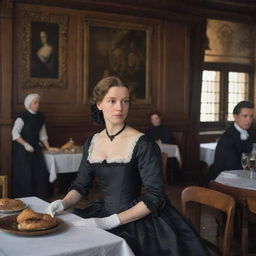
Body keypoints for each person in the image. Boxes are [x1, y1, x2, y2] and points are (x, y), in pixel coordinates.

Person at [45, 76, 209, 256]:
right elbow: (80, 185)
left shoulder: (143, 143)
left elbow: (155, 197)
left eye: (125, 101)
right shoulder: (92, 142)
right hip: (102, 211)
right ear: (99, 104)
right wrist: (63, 202)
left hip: (139, 219)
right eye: (112, 101)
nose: (119, 107)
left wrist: (109, 222)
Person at [12, 93, 59, 199]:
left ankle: (39, 198)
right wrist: (25, 144)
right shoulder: (21, 117)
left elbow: (42, 134)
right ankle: (25, 197)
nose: (38, 105)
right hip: (23, 150)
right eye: (35, 102)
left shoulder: (40, 117)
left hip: (36, 149)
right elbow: (15, 134)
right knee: (26, 174)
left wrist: (48, 147)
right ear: (29, 104)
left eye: (38, 102)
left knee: (39, 173)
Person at [208, 100, 256, 180]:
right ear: (235, 117)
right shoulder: (227, 138)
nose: (249, 120)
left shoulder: (252, 133)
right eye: (245, 116)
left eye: (251, 116)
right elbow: (232, 167)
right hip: (224, 180)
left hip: (246, 175)